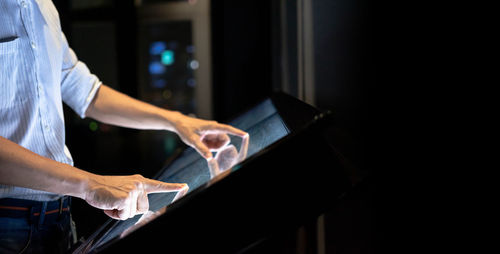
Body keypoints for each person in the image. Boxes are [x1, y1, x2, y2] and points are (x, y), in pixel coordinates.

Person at [0, 0, 247, 253]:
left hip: (57, 217)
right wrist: (90, 184)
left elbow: (86, 91)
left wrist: (176, 121)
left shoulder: (44, 6)